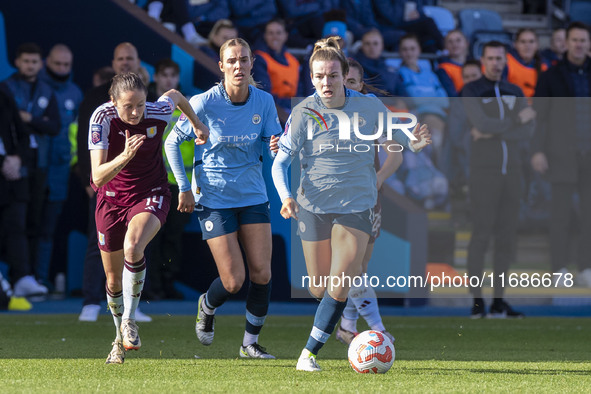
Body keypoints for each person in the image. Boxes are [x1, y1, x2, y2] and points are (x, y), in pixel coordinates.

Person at [271, 37, 431, 371]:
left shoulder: (370, 106)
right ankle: (339, 321)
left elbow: (398, 143)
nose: (326, 82)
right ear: (311, 79)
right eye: (319, 76)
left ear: (345, 75)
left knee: (342, 279)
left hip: (357, 203)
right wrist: (286, 196)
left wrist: (415, 145)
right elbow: (279, 163)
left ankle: (308, 354)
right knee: (319, 288)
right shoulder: (302, 113)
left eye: (332, 75)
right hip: (313, 205)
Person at [165, 38, 282, 359]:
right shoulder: (203, 103)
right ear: (221, 66)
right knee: (233, 281)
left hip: (253, 194)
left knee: (262, 273)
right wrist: (184, 187)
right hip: (213, 197)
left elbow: (275, 141)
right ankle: (207, 304)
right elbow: (171, 143)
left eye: (244, 60)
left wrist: (277, 146)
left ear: (251, 63)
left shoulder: (264, 102)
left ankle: (250, 344)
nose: (238, 66)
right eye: (231, 61)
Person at [89, 72, 208, 364]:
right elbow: (97, 176)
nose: (135, 112)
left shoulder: (157, 110)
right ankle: (118, 339)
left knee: (134, 246)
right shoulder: (102, 118)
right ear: (113, 102)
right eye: (128, 106)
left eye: (140, 104)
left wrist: (197, 124)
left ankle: (129, 320)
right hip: (111, 199)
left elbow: (177, 96)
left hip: (151, 192)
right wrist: (124, 157)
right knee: (114, 281)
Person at [77, 42, 156, 322]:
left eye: (130, 58)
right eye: (120, 58)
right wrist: (90, 180)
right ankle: (90, 301)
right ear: (113, 63)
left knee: (136, 245)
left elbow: (174, 110)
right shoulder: (96, 102)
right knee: (96, 245)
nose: (125, 63)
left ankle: (133, 306)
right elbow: (82, 143)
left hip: (140, 188)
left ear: (138, 63)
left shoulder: (151, 102)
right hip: (105, 185)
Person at [462, 41, 535, 318]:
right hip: (483, 173)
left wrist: (495, 132)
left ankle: (499, 300)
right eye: (491, 58)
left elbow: (528, 132)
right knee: (481, 236)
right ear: (483, 60)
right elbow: (481, 125)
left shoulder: (515, 91)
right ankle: (477, 301)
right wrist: (514, 122)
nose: (496, 63)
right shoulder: (471, 90)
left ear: (506, 61)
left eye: (500, 58)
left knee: (506, 238)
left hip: (513, 173)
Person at [335, 58, 401, 345]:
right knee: (354, 268)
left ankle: (348, 325)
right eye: (342, 81)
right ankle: (378, 327)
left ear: (360, 85)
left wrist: (379, 178)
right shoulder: (323, 110)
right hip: (336, 196)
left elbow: (396, 152)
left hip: (369, 195)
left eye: (352, 82)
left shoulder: (371, 111)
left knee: (361, 265)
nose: (346, 87)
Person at [531, 22, 591, 287]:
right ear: (565, 43)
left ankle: (587, 267)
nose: (579, 44)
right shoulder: (550, 76)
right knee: (561, 215)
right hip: (561, 153)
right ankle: (559, 268)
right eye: (575, 40)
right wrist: (537, 150)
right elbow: (539, 119)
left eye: (583, 40)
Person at [0, 42, 61, 298]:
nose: (30, 66)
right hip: (12, 164)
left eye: (34, 61)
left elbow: (54, 126)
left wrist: (31, 119)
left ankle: (28, 276)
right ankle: (12, 277)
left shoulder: (47, 90)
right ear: (17, 62)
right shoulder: (6, 88)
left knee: (32, 223)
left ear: (41, 63)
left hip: (38, 164)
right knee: (13, 221)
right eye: (26, 61)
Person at [35, 44, 83, 291]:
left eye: (67, 65)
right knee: (25, 225)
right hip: (33, 169)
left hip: (61, 172)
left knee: (50, 229)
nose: (62, 70)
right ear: (46, 63)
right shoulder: (36, 89)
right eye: (57, 65)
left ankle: (44, 279)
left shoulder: (74, 93)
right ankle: (22, 278)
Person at [145, 59, 190, 300]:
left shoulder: (187, 108)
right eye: (164, 75)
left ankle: (167, 283)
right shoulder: (148, 106)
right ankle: (150, 286)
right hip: (154, 184)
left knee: (173, 237)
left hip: (181, 185)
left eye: (173, 75)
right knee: (152, 237)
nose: (169, 80)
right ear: (156, 78)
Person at [0, 85, 37, 305]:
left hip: (12, 178)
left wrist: (16, 159)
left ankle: (22, 276)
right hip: (5, 169)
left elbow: (23, 134)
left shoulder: (4, 93)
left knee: (16, 226)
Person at [253, 19, 301, 112]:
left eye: (278, 33)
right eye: (270, 33)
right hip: (272, 109)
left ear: (285, 36)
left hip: (292, 107)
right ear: (265, 36)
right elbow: (264, 94)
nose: (274, 37)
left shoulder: (293, 60)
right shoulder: (259, 59)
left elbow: (300, 89)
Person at [354, 29, 404, 96]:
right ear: (362, 46)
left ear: (382, 46)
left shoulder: (388, 68)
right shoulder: (356, 68)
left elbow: (403, 94)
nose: (372, 47)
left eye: (375, 43)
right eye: (367, 44)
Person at [506, 29, 549, 98]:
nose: (527, 45)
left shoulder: (544, 66)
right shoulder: (506, 62)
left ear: (537, 45)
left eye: (531, 42)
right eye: (523, 42)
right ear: (515, 44)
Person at [436, 29, 470, 97]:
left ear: (466, 43)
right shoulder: (443, 68)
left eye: (458, 40)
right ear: (445, 46)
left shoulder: (479, 65)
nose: (454, 44)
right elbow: (452, 96)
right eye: (450, 41)